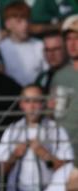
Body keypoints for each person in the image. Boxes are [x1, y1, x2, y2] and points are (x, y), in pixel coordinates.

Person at [0, 84, 73, 191]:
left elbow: (68, 171)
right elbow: (1, 170)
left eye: (36, 101)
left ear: (43, 103)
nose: (32, 107)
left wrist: (45, 155)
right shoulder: (12, 131)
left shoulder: (57, 131)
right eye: (27, 101)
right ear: (21, 104)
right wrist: (14, 156)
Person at [0, 2, 44, 87]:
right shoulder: (0, 49)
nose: (25, 25)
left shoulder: (40, 46)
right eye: (19, 21)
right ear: (8, 24)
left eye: (27, 20)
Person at [52, 16, 78, 157]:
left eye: (77, 38)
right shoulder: (60, 76)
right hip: (64, 152)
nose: (72, 44)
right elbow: (55, 114)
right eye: (68, 39)